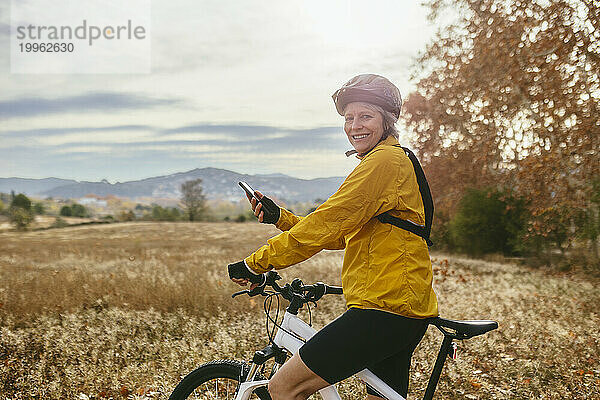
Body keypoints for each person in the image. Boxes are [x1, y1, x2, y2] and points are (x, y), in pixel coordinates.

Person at [228, 74, 438, 400]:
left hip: (383, 310)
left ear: (387, 121)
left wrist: (255, 264)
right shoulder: (392, 160)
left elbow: (327, 222)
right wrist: (280, 218)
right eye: (349, 118)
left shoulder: (384, 162)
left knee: (283, 388)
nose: (355, 126)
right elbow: (341, 234)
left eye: (365, 116)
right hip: (403, 311)